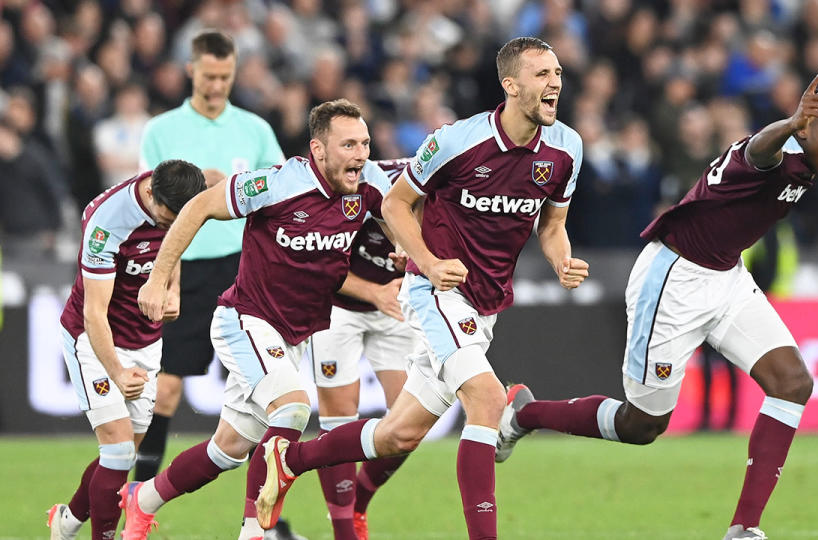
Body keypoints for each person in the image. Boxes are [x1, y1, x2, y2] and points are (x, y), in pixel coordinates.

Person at [495, 72, 818, 540]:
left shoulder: (815, 159)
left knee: (792, 383)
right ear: (803, 130)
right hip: (673, 278)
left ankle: (744, 529)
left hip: (727, 279)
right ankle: (525, 414)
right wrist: (789, 121)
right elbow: (760, 148)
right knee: (642, 425)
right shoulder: (768, 154)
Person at [248, 37, 588, 540]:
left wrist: (561, 258)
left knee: (396, 434)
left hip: (486, 303)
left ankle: (291, 459)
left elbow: (551, 224)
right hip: (436, 295)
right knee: (489, 401)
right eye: (541, 74)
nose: (555, 82)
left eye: (557, 72)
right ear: (510, 85)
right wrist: (428, 262)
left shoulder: (566, 148)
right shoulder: (456, 142)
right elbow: (394, 205)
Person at [120, 99, 392, 540]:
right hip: (244, 319)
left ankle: (143, 499)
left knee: (226, 450)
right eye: (349, 145)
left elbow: (398, 214)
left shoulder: (365, 189)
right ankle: (255, 531)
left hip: (294, 335)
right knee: (294, 407)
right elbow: (197, 207)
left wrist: (411, 255)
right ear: (318, 150)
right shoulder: (277, 184)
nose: (361, 154)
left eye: (364, 143)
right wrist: (158, 276)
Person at [133, 29, 284, 490]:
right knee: (167, 390)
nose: (217, 85)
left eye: (225, 76)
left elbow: (280, 193)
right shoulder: (161, 131)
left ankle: (265, 513)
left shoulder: (255, 129)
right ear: (190, 70)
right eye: (209, 76)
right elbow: (149, 202)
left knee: (266, 391)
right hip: (188, 268)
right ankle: (136, 496)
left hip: (244, 268)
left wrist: (241, 186)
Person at [47, 160, 205, 540]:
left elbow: (176, 244)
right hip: (95, 340)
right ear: (151, 193)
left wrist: (173, 289)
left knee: (120, 457)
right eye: (169, 217)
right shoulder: (108, 221)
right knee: (118, 452)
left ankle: (65, 523)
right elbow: (94, 313)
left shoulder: (178, 205)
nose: (173, 225)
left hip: (146, 341)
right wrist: (116, 371)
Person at [310, 159, 415, 540]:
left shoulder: (449, 195)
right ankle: (343, 532)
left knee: (410, 424)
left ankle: (360, 502)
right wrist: (374, 291)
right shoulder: (363, 191)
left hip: (395, 311)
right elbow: (319, 262)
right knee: (339, 416)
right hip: (339, 307)